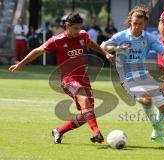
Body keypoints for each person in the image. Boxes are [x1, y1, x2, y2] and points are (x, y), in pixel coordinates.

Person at [9, 12, 114, 144]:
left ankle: (59, 131)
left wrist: (105, 53)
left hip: (83, 78)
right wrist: (21, 63)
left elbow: (90, 42)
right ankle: (97, 132)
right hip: (68, 80)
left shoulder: (83, 35)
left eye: (79, 28)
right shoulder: (56, 41)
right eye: (75, 28)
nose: (78, 31)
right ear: (67, 26)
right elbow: (38, 50)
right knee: (84, 99)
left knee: (86, 114)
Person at [101, 6, 164, 142]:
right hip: (128, 77)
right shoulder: (121, 36)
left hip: (144, 75)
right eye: (134, 24)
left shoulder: (148, 38)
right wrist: (116, 48)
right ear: (130, 22)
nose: (136, 27)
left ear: (144, 23)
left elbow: (162, 50)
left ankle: (157, 133)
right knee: (146, 99)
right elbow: (103, 46)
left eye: (140, 24)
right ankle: (139, 98)